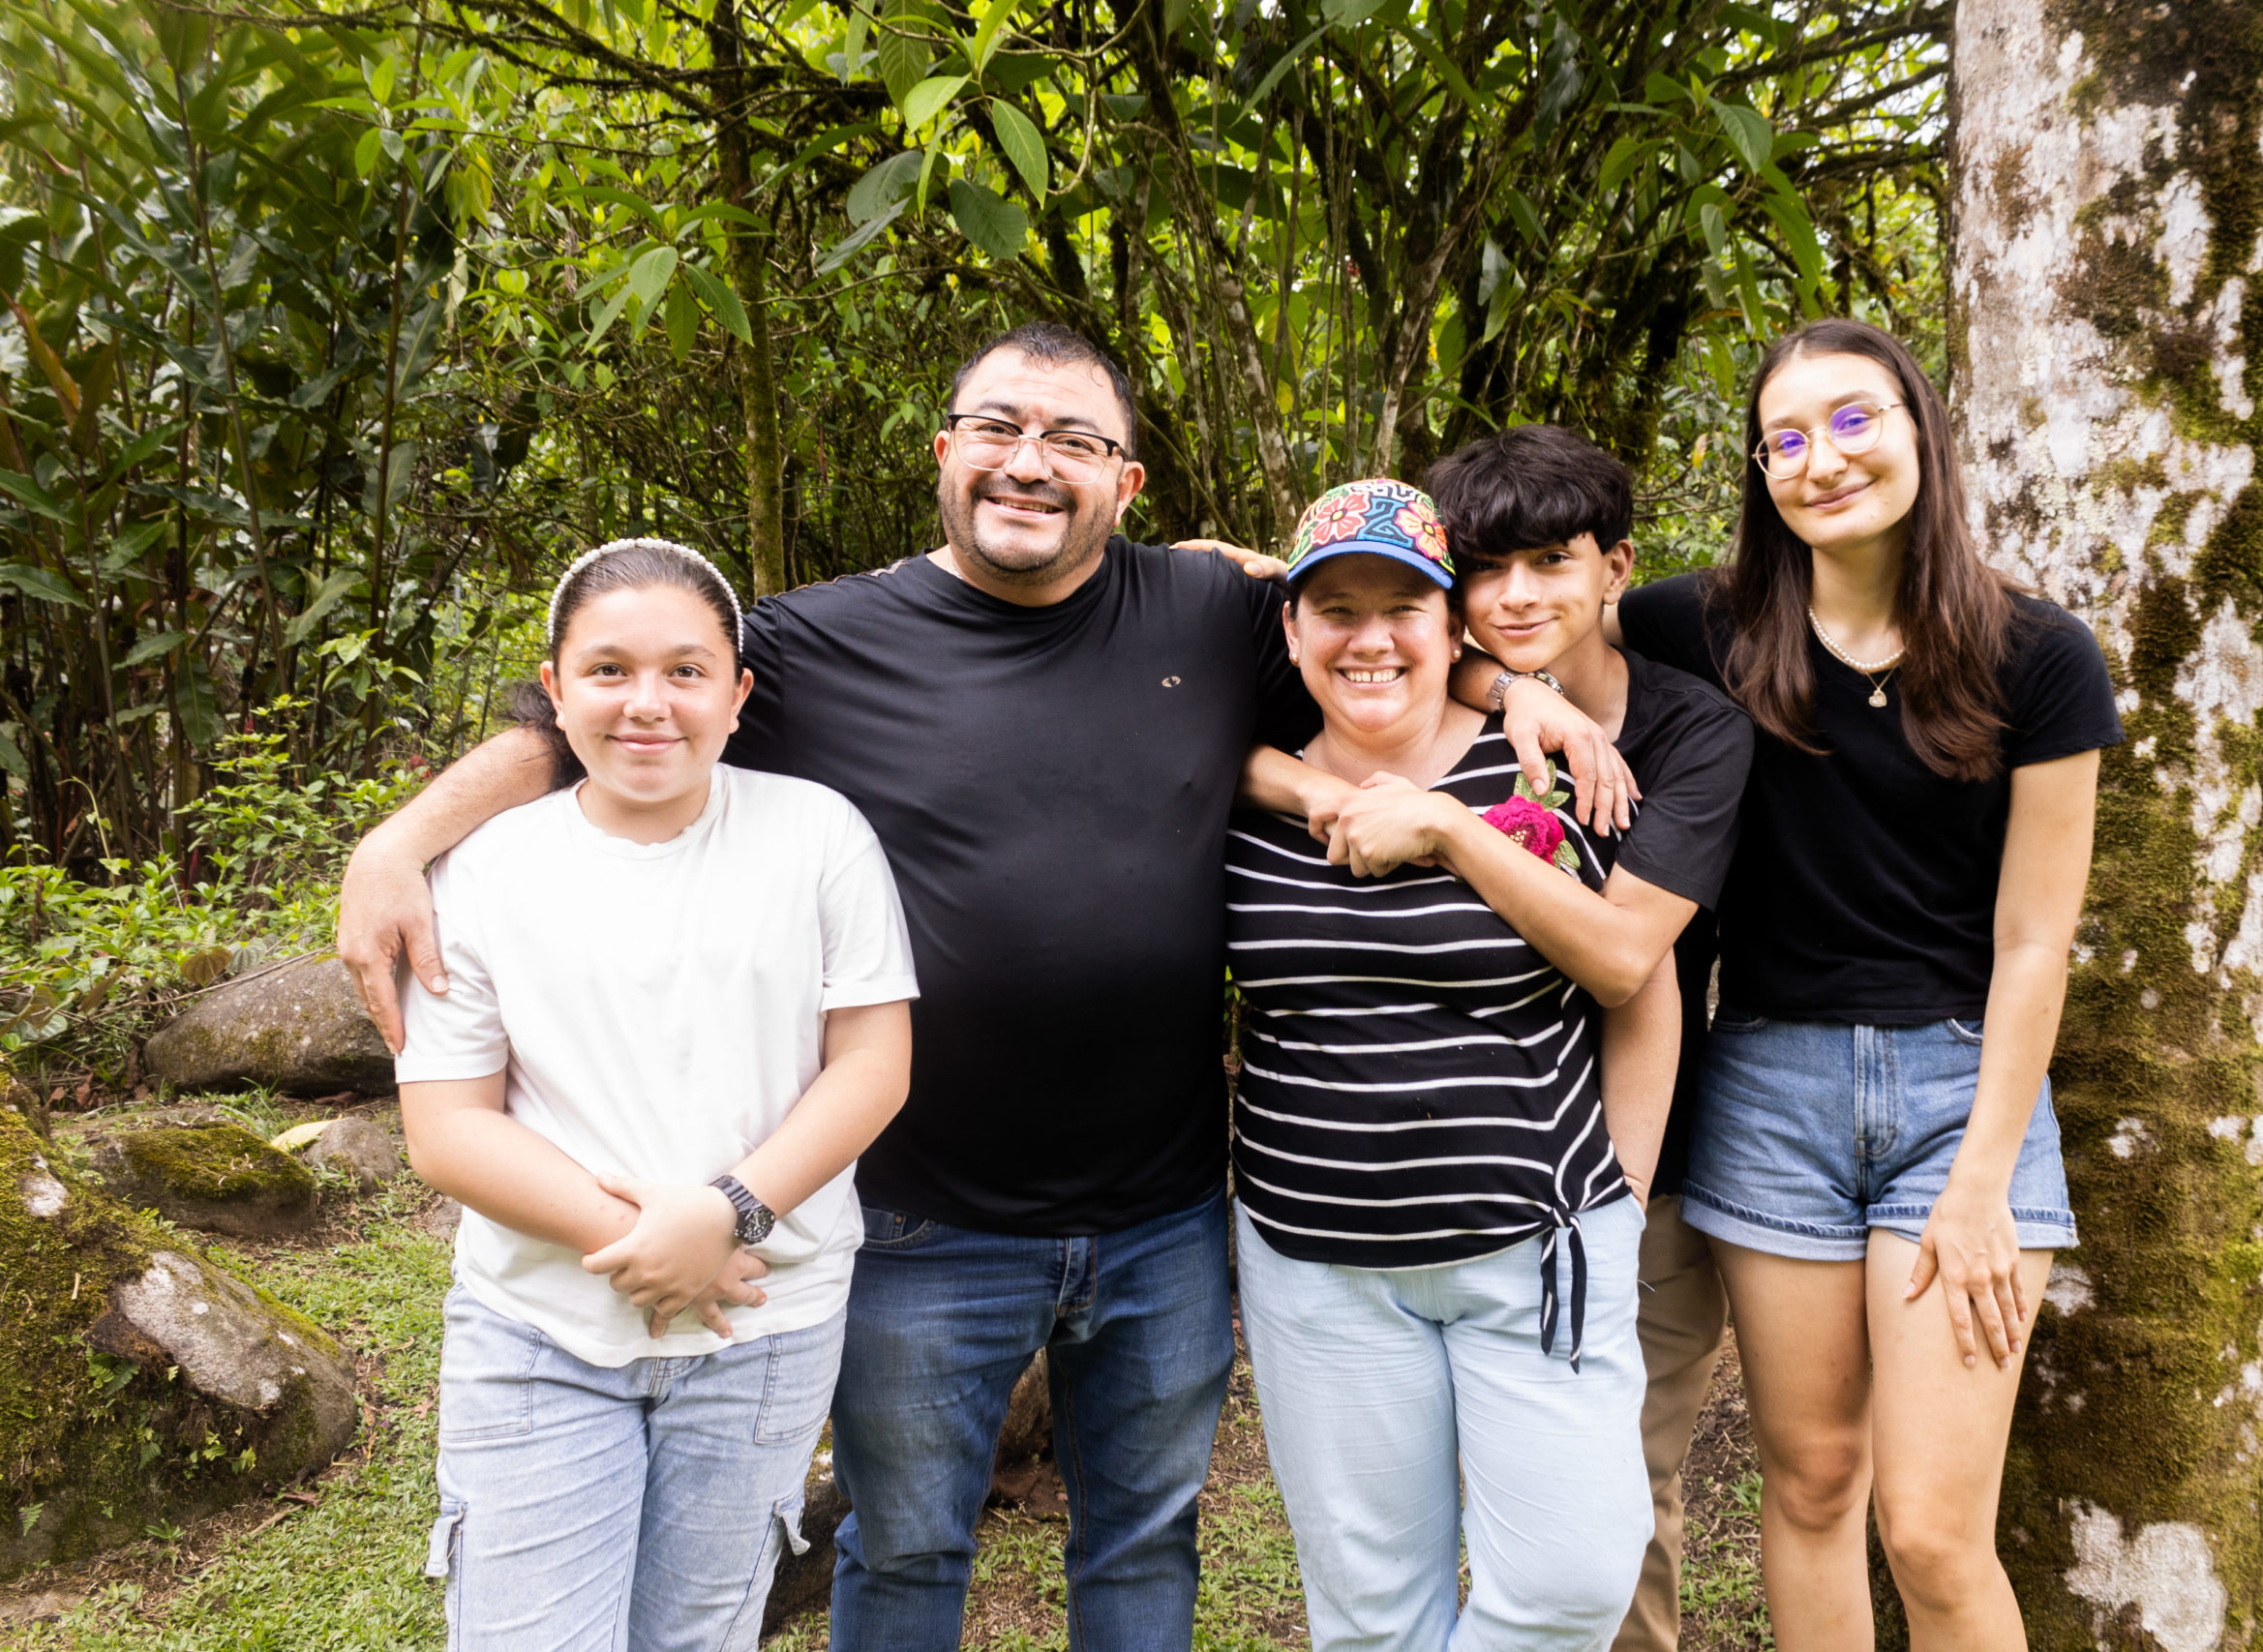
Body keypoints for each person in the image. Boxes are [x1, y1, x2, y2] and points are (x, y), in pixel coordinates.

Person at [342, 324, 1631, 1652]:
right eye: (1001, 428)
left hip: (1165, 1210)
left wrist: (1514, 683)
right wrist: (399, 839)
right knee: (902, 1545)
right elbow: (598, 699)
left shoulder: (1202, 608)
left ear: (1126, 485)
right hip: (923, 1215)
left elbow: (1365, 624)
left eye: (1074, 439)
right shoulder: (818, 642)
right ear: (946, 452)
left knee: (1143, 1535)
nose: (1032, 462)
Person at [1611, 318, 2119, 1649]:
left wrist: (1981, 1183)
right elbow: (1503, 612)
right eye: (1783, 439)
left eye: (1850, 419)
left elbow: (2034, 940)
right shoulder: (1697, 623)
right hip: (1769, 1081)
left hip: (1967, 1093)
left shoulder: (2040, 655)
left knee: (1936, 1529)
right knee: (1815, 1479)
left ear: (1917, 430)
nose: (1818, 459)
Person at [395, 538, 918, 1650]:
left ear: (738, 694)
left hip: (764, 1322)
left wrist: (723, 1211)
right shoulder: (484, 868)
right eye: (608, 670)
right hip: (540, 1328)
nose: (648, 704)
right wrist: (648, 1237)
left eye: (685, 672)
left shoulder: (816, 833)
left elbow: (873, 1063)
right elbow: (447, 1128)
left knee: (702, 1633)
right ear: (555, 689)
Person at [1222, 479, 1679, 1650]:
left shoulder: (1545, 772)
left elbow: (1640, 988)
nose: (1369, 638)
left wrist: (1616, 1198)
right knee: (1371, 1612)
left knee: (1575, 1580)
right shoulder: (1236, 791)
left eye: (1402, 606)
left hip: (1534, 1249)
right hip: (1316, 1264)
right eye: (1335, 608)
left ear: (1449, 629)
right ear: (1291, 628)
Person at [1421, 425, 1749, 1652]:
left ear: (1615, 568)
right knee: (1481, 1502)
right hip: (1451, 1177)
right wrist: (1510, 693)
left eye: (1549, 564)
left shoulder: (1698, 734)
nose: (1514, 597)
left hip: (1631, 1175)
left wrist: (1460, 830)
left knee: (1620, 1492)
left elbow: (1623, 957)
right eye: (1484, 569)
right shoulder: (1436, 685)